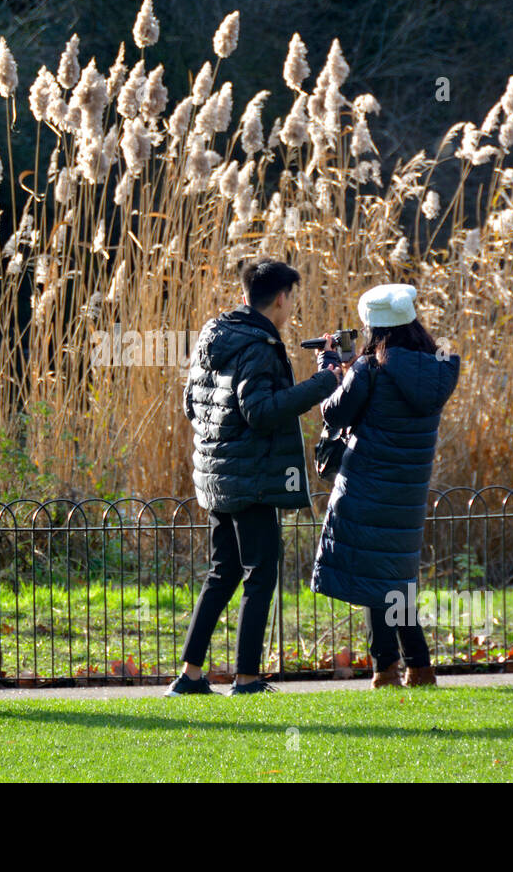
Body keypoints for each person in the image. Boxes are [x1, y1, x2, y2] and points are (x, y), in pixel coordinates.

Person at [169, 258, 343, 696]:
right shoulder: (261, 346)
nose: (291, 309)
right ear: (281, 298)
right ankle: (246, 678)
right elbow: (261, 412)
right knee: (260, 571)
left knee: (222, 572)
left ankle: (190, 675)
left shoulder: (215, 334)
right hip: (253, 478)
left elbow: (193, 404)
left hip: (215, 475)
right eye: (292, 300)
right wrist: (324, 381)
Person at [311, 283, 460, 687]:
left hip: (367, 484)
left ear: (374, 326)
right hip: (407, 490)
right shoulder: (438, 366)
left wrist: (331, 372)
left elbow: (336, 415)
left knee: (376, 576)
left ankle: (389, 669)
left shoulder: (369, 369)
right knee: (391, 575)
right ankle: (415, 667)